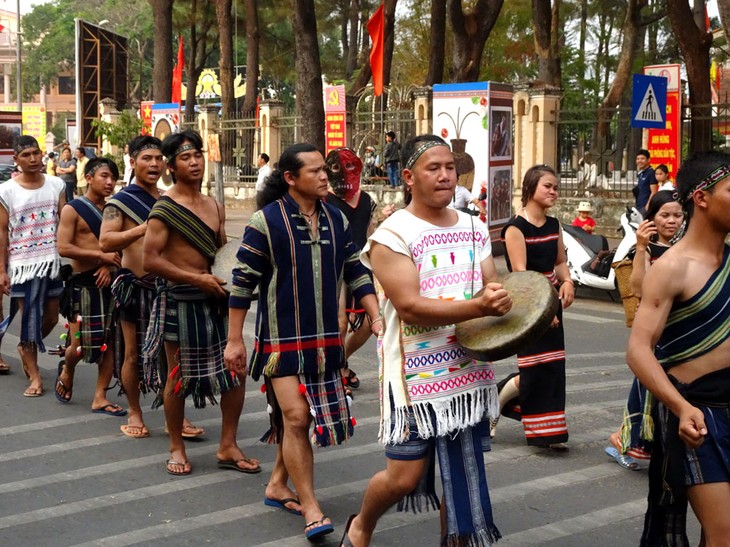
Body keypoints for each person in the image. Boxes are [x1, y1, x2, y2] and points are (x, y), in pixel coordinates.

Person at [342, 135, 512, 547]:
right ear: (408, 176)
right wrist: (479, 308)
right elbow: (411, 307)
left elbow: (491, 283)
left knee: (458, 476)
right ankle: (361, 525)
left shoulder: (473, 225)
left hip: (468, 372)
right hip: (414, 377)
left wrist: (505, 298)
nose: (444, 175)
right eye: (432, 167)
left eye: (449, 167)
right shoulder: (391, 235)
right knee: (405, 477)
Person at [226, 143, 380, 542]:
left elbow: (355, 269)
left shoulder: (337, 219)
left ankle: (278, 483)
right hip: (281, 340)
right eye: (314, 171)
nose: (325, 176)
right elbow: (242, 284)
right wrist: (234, 342)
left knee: (305, 419)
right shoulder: (265, 222)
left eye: (324, 169)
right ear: (291, 179)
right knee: (295, 417)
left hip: (328, 339)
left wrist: (375, 315)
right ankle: (312, 507)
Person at [626, 151, 730, 546]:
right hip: (699, 418)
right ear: (701, 198)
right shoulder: (673, 267)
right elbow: (638, 350)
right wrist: (681, 407)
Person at [142, 130, 259, 477]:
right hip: (181, 299)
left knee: (234, 371)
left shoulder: (214, 205)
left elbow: (222, 256)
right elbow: (150, 260)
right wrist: (196, 279)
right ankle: (176, 446)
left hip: (216, 300)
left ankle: (228, 444)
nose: (194, 162)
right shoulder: (164, 209)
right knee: (177, 377)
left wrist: (234, 278)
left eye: (197, 156)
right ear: (172, 166)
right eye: (185, 157)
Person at [100, 135, 203, 440]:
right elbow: (106, 241)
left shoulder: (170, 197)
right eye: (147, 158)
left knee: (174, 358)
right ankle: (135, 411)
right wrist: (146, 226)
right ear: (132, 162)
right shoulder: (119, 202)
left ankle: (177, 417)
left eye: (159, 158)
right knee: (133, 354)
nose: (154, 164)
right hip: (136, 287)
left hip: (169, 286)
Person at [493, 164, 574, 450]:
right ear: (531, 188)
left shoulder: (554, 225)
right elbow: (522, 274)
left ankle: (549, 433)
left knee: (552, 368)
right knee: (535, 367)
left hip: (552, 301)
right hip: (531, 305)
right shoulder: (516, 228)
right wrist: (545, 309)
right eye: (547, 186)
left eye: (555, 187)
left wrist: (567, 282)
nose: (553, 191)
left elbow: (560, 262)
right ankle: (498, 399)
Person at [604, 191, 683, 470]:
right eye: (665, 215)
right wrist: (640, 246)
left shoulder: (685, 248)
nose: (671, 221)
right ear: (652, 219)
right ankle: (623, 438)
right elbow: (638, 287)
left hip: (680, 331)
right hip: (655, 333)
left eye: (677, 215)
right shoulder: (647, 249)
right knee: (647, 386)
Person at [55, 157, 125, 415]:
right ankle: (68, 367)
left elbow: (120, 244)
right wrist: (100, 258)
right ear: (88, 178)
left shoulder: (115, 210)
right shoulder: (73, 209)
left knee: (110, 341)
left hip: (111, 281)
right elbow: (64, 247)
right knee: (80, 344)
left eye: (113, 178)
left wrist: (109, 265)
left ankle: (100, 396)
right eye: (104, 176)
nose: (109, 182)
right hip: (82, 283)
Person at [0, 136, 66, 396]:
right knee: (29, 320)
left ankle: (25, 350)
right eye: (26, 155)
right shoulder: (7, 190)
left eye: (36, 153)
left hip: (51, 262)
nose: (33, 159)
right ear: (16, 160)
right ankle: (35, 377)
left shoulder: (56, 184)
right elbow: (2, 232)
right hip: (22, 265)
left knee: (50, 317)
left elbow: (65, 219)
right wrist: (2, 270)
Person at [324, 147, 376, 392]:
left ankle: (340, 360)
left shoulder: (367, 200)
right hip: (334, 264)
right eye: (337, 167)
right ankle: (334, 374)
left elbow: (370, 234)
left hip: (360, 264)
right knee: (340, 322)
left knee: (370, 322)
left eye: (350, 166)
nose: (345, 172)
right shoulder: (324, 200)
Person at [634, 149, 657, 215]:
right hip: (639, 206)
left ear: (648, 160)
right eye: (638, 159)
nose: (639, 161)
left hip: (646, 207)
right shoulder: (640, 173)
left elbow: (654, 192)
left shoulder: (651, 172)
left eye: (642, 159)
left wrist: (647, 207)